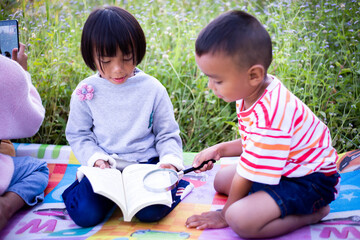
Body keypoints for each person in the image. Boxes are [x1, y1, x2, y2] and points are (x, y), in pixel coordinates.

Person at [185, 10, 340, 238]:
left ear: (254, 75)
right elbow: (253, 142)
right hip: (285, 169)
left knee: (238, 218)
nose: (210, 86)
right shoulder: (250, 93)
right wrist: (220, 149)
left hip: (310, 181)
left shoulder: (272, 114)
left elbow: (249, 171)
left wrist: (224, 214)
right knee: (221, 180)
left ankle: (314, 212)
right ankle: (267, 201)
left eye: (217, 80)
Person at [62, 6, 191, 227]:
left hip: (146, 165)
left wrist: (169, 163)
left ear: (137, 51)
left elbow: (167, 134)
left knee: (151, 212)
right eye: (107, 60)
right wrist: (96, 159)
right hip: (105, 168)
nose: (118, 69)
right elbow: (79, 134)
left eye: (127, 58)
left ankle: (176, 185)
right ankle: (105, 194)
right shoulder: (86, 91)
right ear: (91, 56)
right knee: (85, 214)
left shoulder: (152, 89)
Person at [0, 43, 49, 230]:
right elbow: (32, 123)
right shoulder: (6, 70)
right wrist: (21, 73)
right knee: (37, 169)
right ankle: (4, 207)